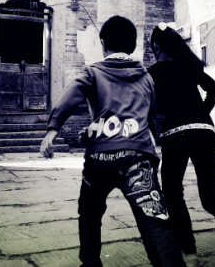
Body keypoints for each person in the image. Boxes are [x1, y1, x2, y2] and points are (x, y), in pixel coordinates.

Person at [40, 16, 186, 267]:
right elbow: (149, 114)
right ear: (133, 46)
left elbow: (71, 94)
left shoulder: (93, 72)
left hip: (99, 159)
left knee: (89, 213)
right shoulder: (147, 77)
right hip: (137, 159)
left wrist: (54, 128)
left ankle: (90, 263)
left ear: (103, 43)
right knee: (155, 222)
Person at [147, 23, 215, 267]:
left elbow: (147, 106)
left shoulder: (153, 72)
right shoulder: (189, 65)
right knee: (211, 196)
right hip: (205, 133)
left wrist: (154, 133)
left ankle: (190, 254)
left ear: (155, 46)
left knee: (173, 195)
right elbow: (214, 89)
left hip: (175, 135)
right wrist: (200, 115)